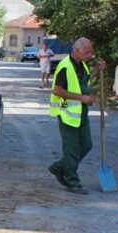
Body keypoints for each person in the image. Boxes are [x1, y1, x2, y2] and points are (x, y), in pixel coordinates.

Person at [48, 37, 105, 195]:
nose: (90, 54)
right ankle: (72, 181)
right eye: (87, 51)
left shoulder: (82, 65)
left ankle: (58, 168)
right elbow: (57, 90)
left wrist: (97, 70)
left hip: (81, 112)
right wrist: (82, 98)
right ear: (77, 50)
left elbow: (84, 82)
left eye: (90, 51)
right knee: (72, 150)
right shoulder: (65, 66)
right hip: (67, 112)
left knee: (86, 145)